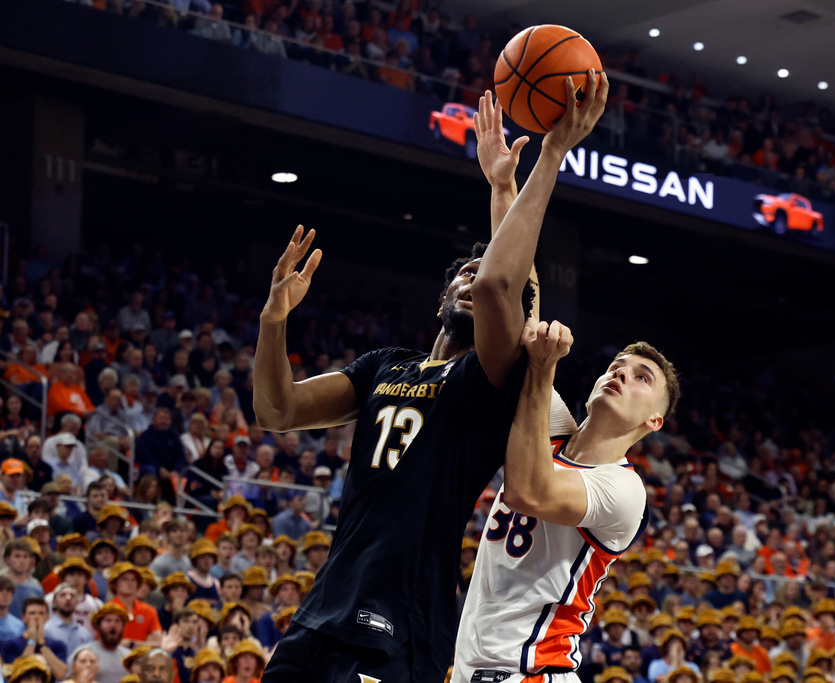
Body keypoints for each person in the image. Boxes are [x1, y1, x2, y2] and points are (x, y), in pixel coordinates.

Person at [259, 75, 605, 683]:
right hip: (323, 609)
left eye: (484, 273)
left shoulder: (488, 377)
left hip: (403, 616)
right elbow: (278, 411)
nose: (476, 281)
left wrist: (544, 160)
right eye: (464, 274)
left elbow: (508, 285)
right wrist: (272, 321)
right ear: (442, 296)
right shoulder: (382, 365)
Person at [452, 315, 677, 680]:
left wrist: (544, 367)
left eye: (642, 378)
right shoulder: (551, 429)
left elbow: (528, 493)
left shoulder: (626, 490)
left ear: (653, 420)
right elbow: (518, 335)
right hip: (477, 668)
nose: (620, 375)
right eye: (615, 367)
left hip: (533, 672)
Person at [1, 597, 68, 678]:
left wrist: (41, 643)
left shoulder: (58, 645)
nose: (37, 617)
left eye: (41, 613)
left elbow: (60, 674)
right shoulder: (11, 644)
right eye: (32, 613)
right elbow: (14, 674)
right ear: (24, 618)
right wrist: (32, 641)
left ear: (47, 617)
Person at [72, 603, 131, 683]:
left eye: (118, 621)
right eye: (108, 620)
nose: (113, 625)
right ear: (98, 625)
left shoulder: (129, 656)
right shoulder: (83, 654)